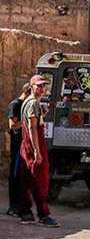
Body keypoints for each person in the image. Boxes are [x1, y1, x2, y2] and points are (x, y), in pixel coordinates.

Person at [18, 75, 58, 227]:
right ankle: (43, 214)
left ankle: (26, 213)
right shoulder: (33, 102)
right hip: (33, 144)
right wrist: (37, 151)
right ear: (32, 87)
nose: (42, 89)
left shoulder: (30, 102)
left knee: (26, 179)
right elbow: (32, 127)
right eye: (39, 86)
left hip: (27, 145)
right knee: (40, 180)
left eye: (43, 86)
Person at [7, 83, 30, 217]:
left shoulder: (28, 105)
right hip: (17, 148)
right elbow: (13, 126)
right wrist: (28, 120)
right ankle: (12, 206)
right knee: (15, 177)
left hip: (25, 147)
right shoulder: (15, 105)